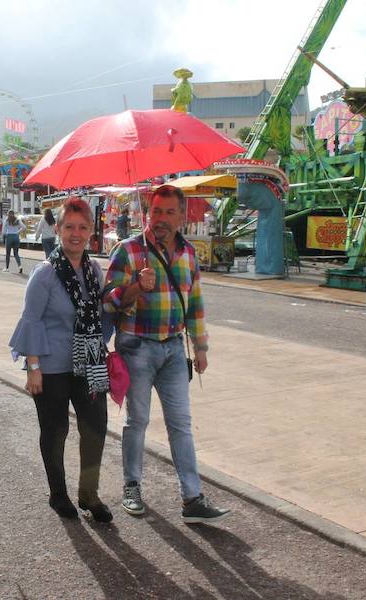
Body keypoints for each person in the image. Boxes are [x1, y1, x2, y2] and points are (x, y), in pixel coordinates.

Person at [103, 185, 230, 524]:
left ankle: (192, 498)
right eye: (156, 211)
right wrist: (134, 287)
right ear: (148, 212)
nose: (160, 219)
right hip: (136, 348)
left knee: (181, 425)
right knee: (138, 421)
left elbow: (195, 305)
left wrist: (200, 347)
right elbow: (106, 300)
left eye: (168, 212)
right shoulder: (128, 251)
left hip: (175, 350)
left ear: (182, 216)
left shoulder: (188, 254)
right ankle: (132, 485)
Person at [10, 198, 112, 522]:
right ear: (58, 229)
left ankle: (89, 493)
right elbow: (31, 320)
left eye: (83, 227)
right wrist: (33, 367)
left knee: (95, 427)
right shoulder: (45, 274)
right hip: (51, 366)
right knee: (55, 431)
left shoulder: (95, 271)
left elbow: (102, 314)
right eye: (69, 227)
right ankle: (58, 493)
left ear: (91, 232)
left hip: (90, 361)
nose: (76, 233)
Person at [2, 209, 25, 273]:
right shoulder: (17, 220)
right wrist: (18, 232)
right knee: (16, 253)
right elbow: (24, 227)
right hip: (16, 237)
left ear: (8, 214)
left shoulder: (6, 220)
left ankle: (7, 268)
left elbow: (3, 231)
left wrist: (4, 236)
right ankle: (20, 266)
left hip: (9, 237)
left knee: (8, 254)